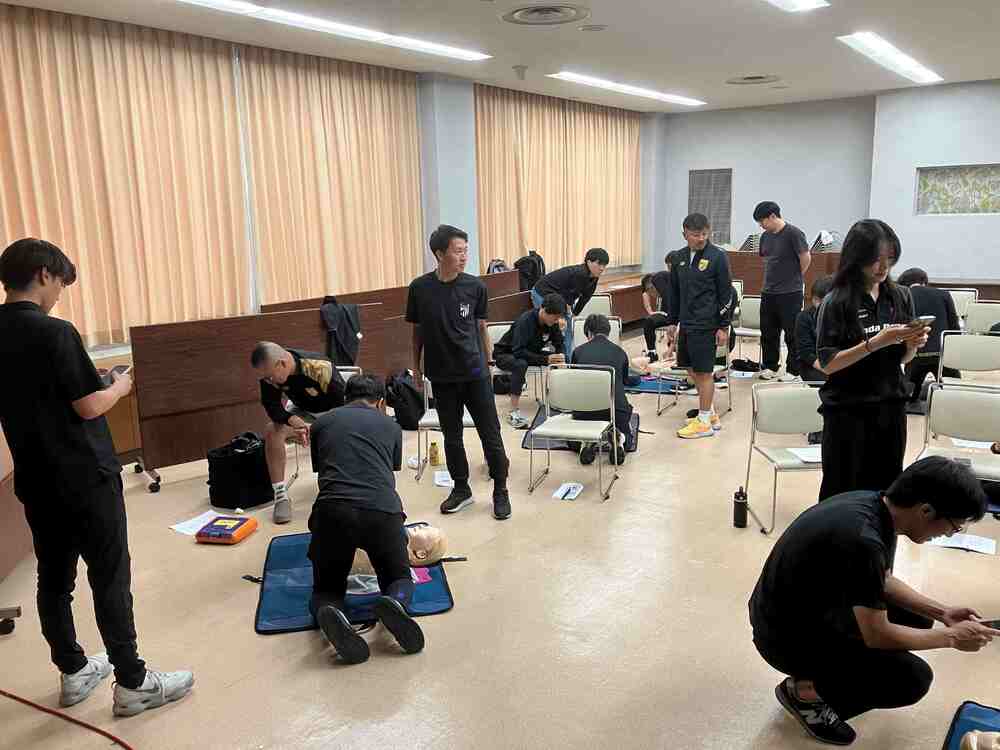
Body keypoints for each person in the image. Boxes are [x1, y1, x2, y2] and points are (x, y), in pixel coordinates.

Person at [0, 238, 193, 716]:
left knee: (54, 578)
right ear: (44, 274)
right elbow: (87, 406)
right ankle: (133, 683)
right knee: (109, 577)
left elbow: (41, 394)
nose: (58, 294)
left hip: (37, 479)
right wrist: (120, 386)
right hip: (85, 478)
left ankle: (73, 671)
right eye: (60, 284)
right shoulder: (55, 332)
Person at [749, 456, 997, 746]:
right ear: (926, 511)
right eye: (954, 526)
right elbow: (877, 635)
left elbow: (882, 580)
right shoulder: (862, 539)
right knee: (911, 679)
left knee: (917, 618)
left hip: (796, 611)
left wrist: (943, 613)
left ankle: (828, 677)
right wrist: (952, 637)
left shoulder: (877, 507)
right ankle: (805, 695)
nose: (948, 534)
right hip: (784, 640)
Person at [307, 374, 424, 665]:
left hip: (332, 513)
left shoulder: (321, 423)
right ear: (381, 402)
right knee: (398, 577)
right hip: (382, 513)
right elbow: (389, 468)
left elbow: (322, 469)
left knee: (326, 588)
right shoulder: (391, 426)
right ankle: (394, 601)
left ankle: (332, 613)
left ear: (345, 397)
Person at [815, 219, 929, 501]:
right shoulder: (836, 301)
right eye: (875, 259)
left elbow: (902, 359)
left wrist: (912, 345)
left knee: (886, 491)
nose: (883, 267)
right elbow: (828, 363)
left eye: (889, 259)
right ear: (857, 257)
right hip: (848, 410)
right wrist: (875, 343)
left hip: (890, 407)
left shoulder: (900, 296)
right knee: (843, 489)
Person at [406, 225, 511, 520]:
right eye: (458, 251)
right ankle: (461, 489)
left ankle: (500, 490)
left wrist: (489, 363)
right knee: (452, 437)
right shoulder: (419, 288)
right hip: (441, 376)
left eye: (466, 251)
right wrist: (416, 368)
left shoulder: (475, 287)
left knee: (491, 434)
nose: (464, 256)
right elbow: (417, 333)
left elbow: (482, 327)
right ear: (440, 254)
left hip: (475, 373)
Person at [251, 342, 346, 524]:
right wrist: (292, 419)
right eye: (265, 378)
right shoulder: (269, 374)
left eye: (270, 376)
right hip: (302, 412)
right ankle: (280, 495)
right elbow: (272, 407)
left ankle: (338, 485)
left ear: (282, 364)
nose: (268, 381)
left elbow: (343, 407)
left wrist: (317, 429)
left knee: (338, 433)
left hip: (332, 412)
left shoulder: (319, 367)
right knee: (272, 430)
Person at [664, 213, 734, 439]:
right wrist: (672, 321)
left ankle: (704, 422)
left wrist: (723, 326)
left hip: (707, 324)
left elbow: (727, 294)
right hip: (686, 323)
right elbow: (674, 292)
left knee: (704, 372)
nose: (701, 238)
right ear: (684, 233)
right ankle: (710, 413)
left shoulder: (718, 257)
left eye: (705, 233)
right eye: (696, 234)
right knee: (689, 368)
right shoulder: (679, 258)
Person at [570, 314, 641, 465]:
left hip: (585, 412)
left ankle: (586, 441)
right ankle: (620, 439)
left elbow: (573, 382)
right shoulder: (620, 352)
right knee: (628, 438)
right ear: (608, 332)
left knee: (572, 439)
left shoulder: (578, 352)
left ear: (588, 333)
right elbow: (625, 381)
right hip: (615, 410)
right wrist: (638, 378)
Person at [754, 201, 811, 381]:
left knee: (792, 333)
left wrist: (794, 277)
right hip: (768, 291)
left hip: (790, 292)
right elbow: (767, 260)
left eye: (762, 221)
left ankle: (794, 370)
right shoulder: (765, 237)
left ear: (773, 216)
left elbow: (805, 258)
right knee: (768, 332)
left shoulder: (794, 233)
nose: (761, 225)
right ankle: (770, 366)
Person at [493, 293, 567, 429]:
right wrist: (545, 359)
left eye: (559, 317)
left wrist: (560, 355)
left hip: (528, 352)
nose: (557, 320)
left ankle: (560, 401)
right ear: (544, 310)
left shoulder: (552, 323)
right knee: (521, 364)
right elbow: (518, 351)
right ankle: (513, 412)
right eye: (555, 317)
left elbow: (559, 343)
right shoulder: (525, 321)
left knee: (558, 359)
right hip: (506, 353)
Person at [896, 267, 962, 404]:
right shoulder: (943, 294)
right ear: (924, 281)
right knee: (955, 393)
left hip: (915, 354)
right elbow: (954, 327)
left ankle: (913, 401)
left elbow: (900, 326)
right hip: (942, 353)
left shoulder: (902, 296)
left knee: (908, 396)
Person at [532, 248, 610, 357]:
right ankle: (557, 357)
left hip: (560, 296)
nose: (602, 268)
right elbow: (568, 298)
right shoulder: (580, 273)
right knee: (558, 324)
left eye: (604, 265)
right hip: (542, 292)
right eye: (599, 264)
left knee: (567, 326)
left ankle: (567, 358)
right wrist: (563, 316)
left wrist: (574, 314)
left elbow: (585, 298)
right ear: (588, 262)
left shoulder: (594, 277)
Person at [795, 275, 834, 384]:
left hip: (837, 362)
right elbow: (806, 353)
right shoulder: (804, 317)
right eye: (816, 299)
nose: (819, 304)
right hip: (812, 365)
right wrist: (829, 370)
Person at [640, 263, 671, 361]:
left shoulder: (668, 291)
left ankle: (672, 350)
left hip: (677, 314)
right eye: (648, 290)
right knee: (648, 321)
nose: (651, 292)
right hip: (666, 314)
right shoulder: (653, 290)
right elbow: (644, 294)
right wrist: (650, 312)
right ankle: (652, 352)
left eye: (651, 288)